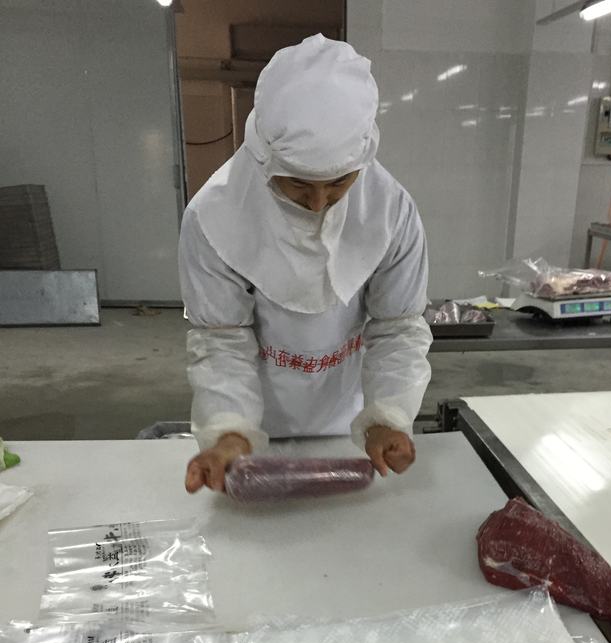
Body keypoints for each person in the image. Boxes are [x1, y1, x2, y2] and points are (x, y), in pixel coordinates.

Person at [179, 34, 432, 494]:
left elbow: (397, 327)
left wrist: (388, 417)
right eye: (297, 184)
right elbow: (221, 340)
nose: (318, 204)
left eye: (338, 184)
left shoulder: (390, 211)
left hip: (352, 428)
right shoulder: (215, 216)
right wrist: (228, 431)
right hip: (249, 430)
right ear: (266, 156)